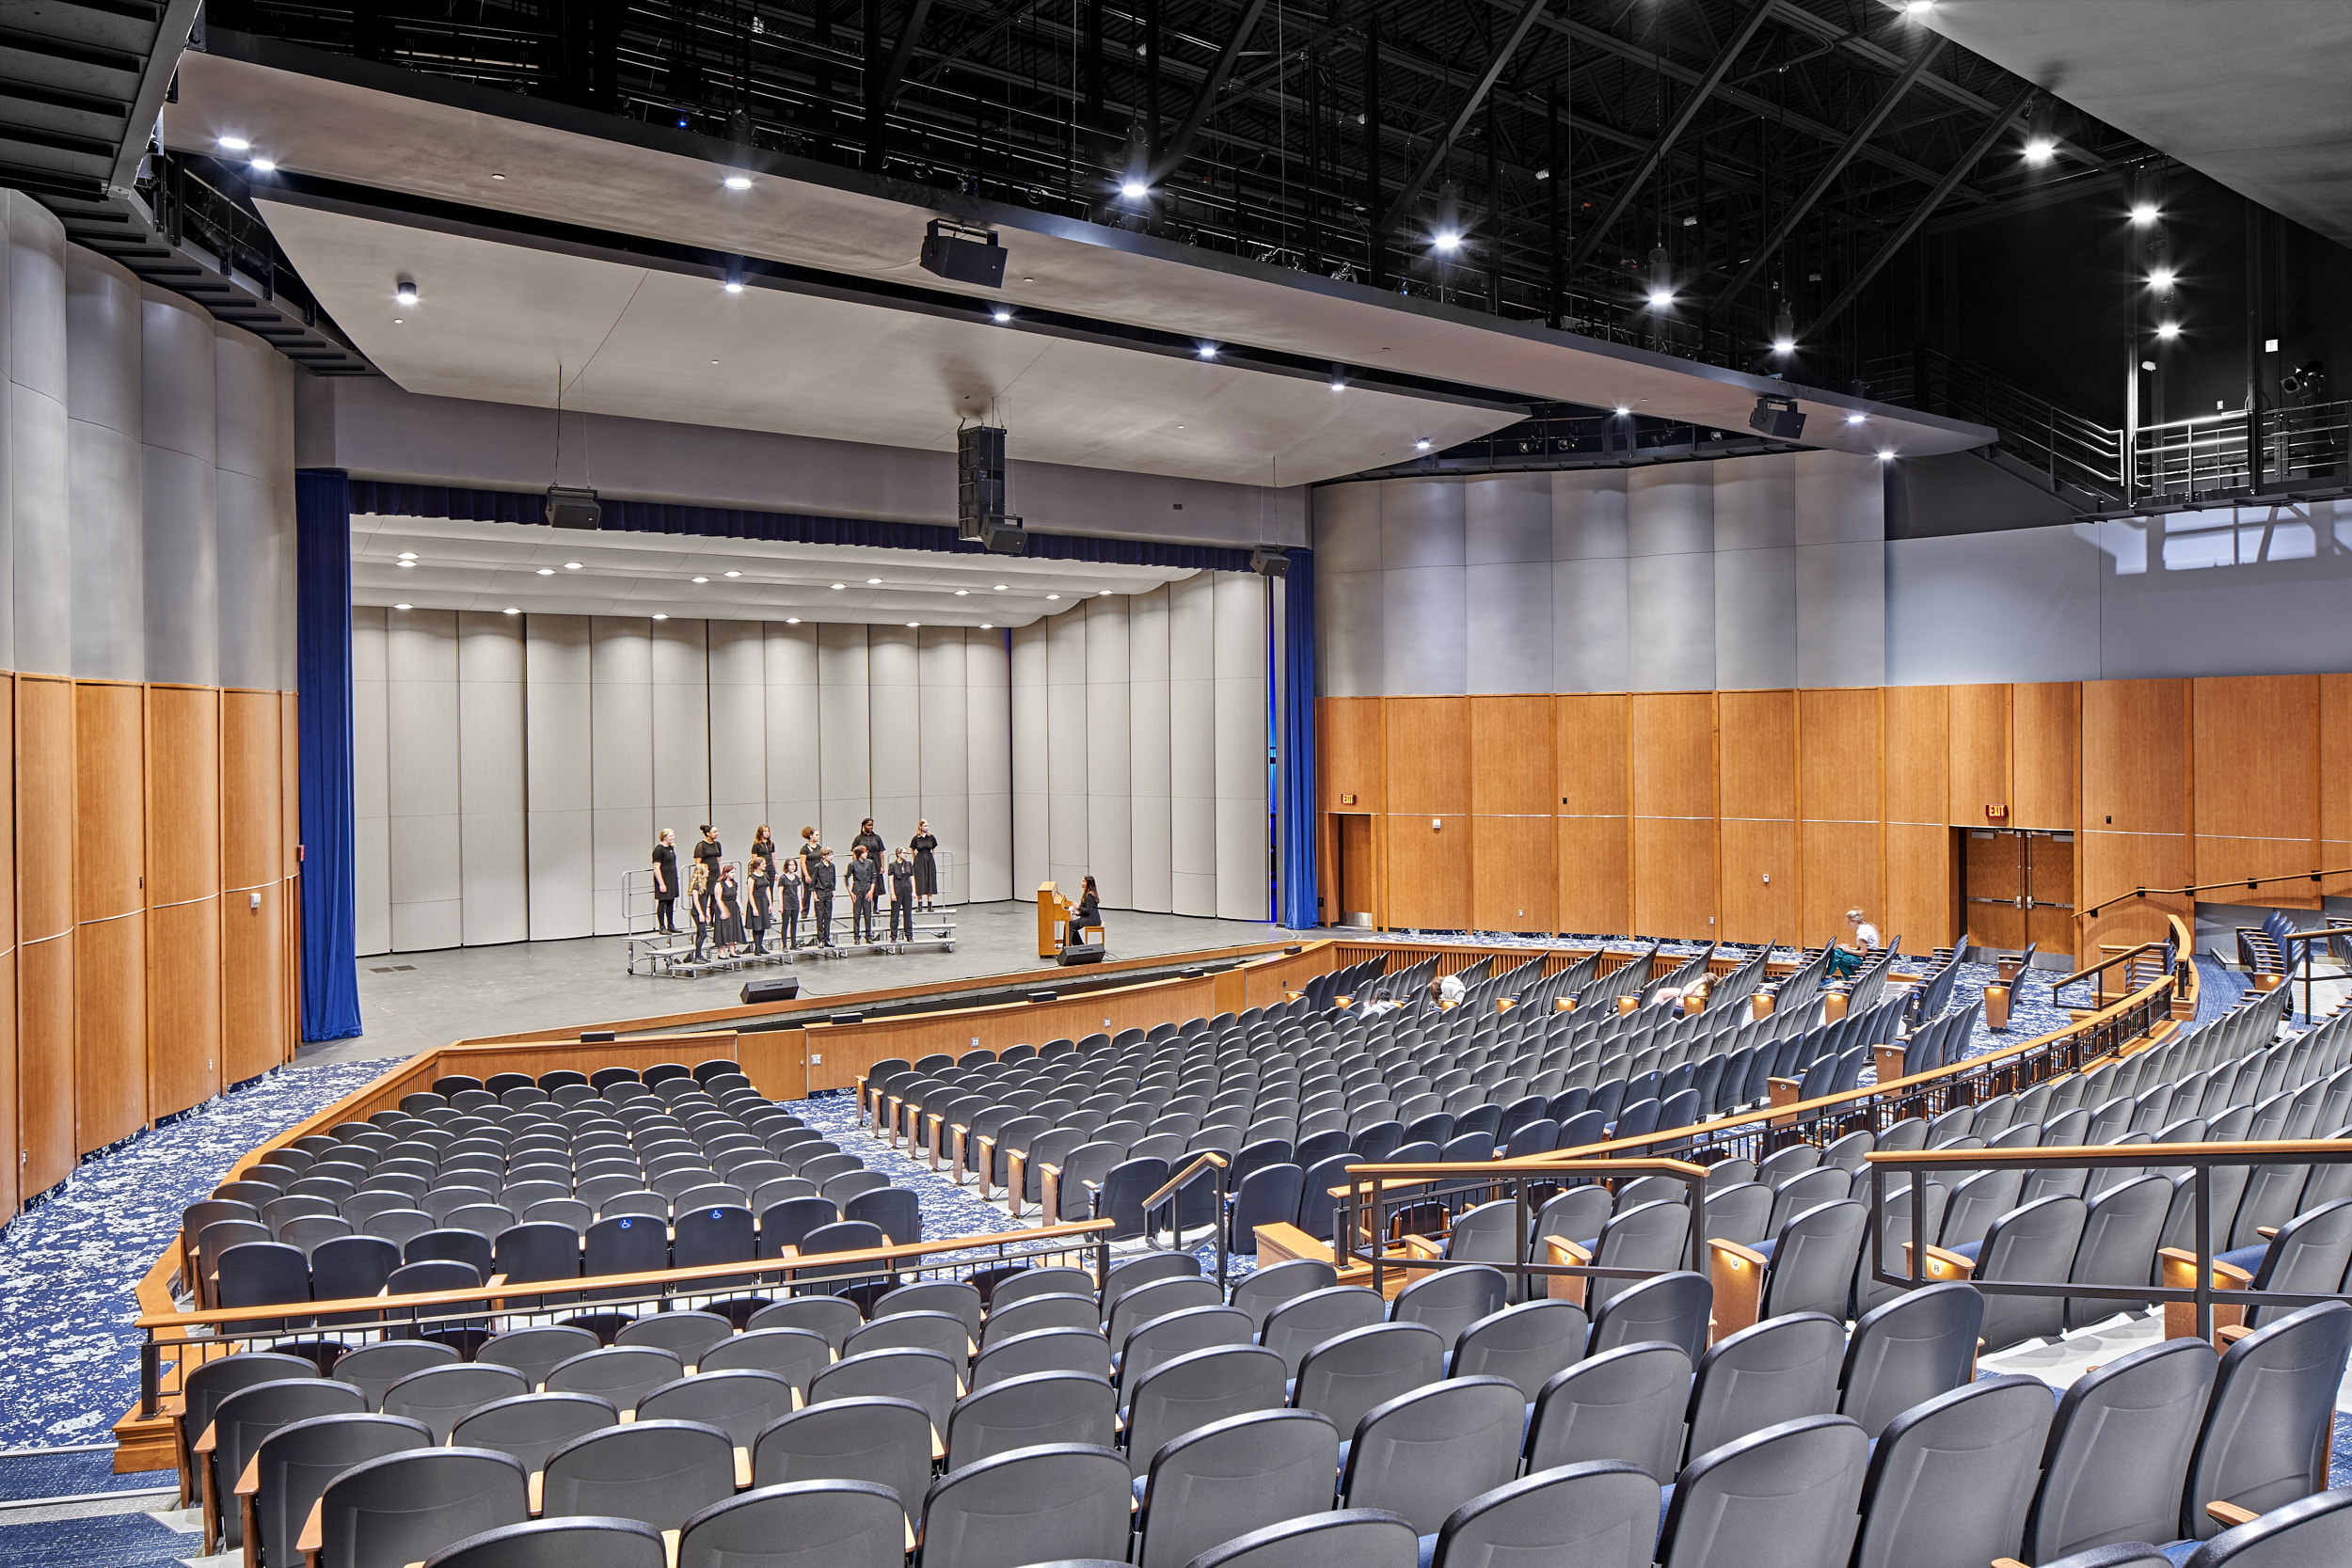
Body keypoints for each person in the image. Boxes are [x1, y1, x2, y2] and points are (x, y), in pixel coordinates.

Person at [1827, 908, 1881, 980]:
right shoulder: (1866, 927)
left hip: (1867, 958)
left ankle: (1829, 978)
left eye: (1849, 922)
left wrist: (1848, 950)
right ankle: (1831, 977)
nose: (1848, 924)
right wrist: (1849, 949)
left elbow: (1863, 952)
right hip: (1871, 955)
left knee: (1840, 958)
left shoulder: (1862, 931)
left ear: (1854, 921)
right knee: (1837, 953)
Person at [847, 843, 881, 943]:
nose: (866, 853)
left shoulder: (870, 863)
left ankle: (868, 935)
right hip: (857, 889)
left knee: (868, 914)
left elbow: (873, 877)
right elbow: (847, 878)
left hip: (867, 888)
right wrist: (851, 892)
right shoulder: (852, 864)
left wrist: (871, 890)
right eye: (864, 852)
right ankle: (856, 937)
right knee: (856, 914)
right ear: (859, 853)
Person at [713, 862, 745, 958]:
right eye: (732, 872)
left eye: (734, 872)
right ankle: (721, 951)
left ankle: (732, 949)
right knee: (723, 928)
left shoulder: (734, 884)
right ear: (726, 873)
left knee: (732, 928)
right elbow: (718, 899)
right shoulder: (719, 884)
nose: (733, 874)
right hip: (723, 906)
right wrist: (723, 911)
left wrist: (741, 907)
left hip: (733, 907)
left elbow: (736, 897)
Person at [745, 848, 774, 956]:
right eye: (763, 864)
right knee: (756, 925)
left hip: (763, 901)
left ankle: (761, 946)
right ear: (758, 865)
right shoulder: (752, 878)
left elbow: (767, 889)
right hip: (756, 901)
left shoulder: (765, 875)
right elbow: (750, 894)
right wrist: (754, 908)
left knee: (763, 925)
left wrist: (770, 904)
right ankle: (756, 947)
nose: (765, 866)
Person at [650, 829, 678, 933]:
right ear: (664, 837)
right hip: (663, 879)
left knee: (671, 901)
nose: (673, 837)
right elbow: (656, 867)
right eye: (671, 836)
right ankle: (662, 926)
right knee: (663, 902)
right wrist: (661, 883)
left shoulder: (670, 848)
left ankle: (671, 924)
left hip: (672, 878)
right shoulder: (658, 850)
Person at [809, 846, 838, 947]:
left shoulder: (832, 866)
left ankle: (827, 938)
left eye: (831, 854)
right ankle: (820, 939)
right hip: (820, 892)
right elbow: (813, 882)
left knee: (828, 917)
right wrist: (814, 894)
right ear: (823, 856)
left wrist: (833, 892)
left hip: (828, 892)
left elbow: (833, 880)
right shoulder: (818, 867)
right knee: (820, 917)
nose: (831, 857)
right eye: (829, 855)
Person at [910, 820, 940, 909]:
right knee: (920, 880)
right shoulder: (916, 838)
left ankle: (930, 904)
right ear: (920, 827)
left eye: (928, 826)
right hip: (919, 860)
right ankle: (920, 904)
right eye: (925, 826)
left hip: (929, 860)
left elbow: (934, 848)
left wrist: (932, 857)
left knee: (930, 879)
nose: (927, 828)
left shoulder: (931, 837)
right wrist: (915, 859)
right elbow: (912, 849)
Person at [887, 848, 916, 942]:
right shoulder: (893, 865)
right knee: (895, 914)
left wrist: (914, 891)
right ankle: (893, 936)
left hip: (907, 890)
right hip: (897, 890)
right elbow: (891, 880)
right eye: (904, 853)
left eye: (906, 853)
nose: (906, 854)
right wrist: (892, 893)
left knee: (908, 913)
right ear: (898, 854)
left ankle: (909, 935)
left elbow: (912, 878)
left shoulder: (909, 864)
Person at [688, 861, 714, 962]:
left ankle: (698, 955)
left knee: (700, 933)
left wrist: (706, 912)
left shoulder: (704, 885)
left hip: (702, 912)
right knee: (703, 933)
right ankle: (697, 956)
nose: (708, 872)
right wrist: (701, 914)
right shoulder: (696, 886)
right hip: (696, 913)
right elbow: (696, 901)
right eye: (706, 870)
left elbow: (705, 901)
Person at [775, 851, 803, 950]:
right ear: (787, 866)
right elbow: (780, 892)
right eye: (790, 865)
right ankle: (784, 945)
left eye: (794, 865)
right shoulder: (783, 878)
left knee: (794, 924)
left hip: (795, 902)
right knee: (785, 924)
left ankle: (794, 944)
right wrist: (781, 905)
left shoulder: (797, 878)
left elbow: (799, 892)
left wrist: (801, 904)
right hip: (786, 903)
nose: (792, 867)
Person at [797, 826, 820, 918]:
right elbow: (802, 862)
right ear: (811, 836)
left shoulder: (819, 847)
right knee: (807, 892)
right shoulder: (805, 849)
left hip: (817, 873)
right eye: (816, 835)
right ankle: (805, 911)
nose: (818, 837)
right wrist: (806, 875)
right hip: (809, 872)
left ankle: (818, 912)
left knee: (818, 892)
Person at [693, 824, 723, 895]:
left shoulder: (717, 844)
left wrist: (722, 873)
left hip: (716, 874)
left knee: (715, 895)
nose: (717, 833)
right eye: (715, 832)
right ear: (708, 833)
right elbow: (698, 862)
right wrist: (703, 874)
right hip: (706, 875)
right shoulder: (701, 845)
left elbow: (719, 860)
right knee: (705, 894)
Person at [1072, 874, 1101, 945]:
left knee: (1070, 925)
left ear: (1088, 883)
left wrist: (1077, 907)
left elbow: (1088, 911)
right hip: (1090, 918)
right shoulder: (1088, 893)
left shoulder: (1089, 895)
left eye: (1083, 881)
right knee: (1071, 925)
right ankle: (1079, 945)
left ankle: (1072, 946)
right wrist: (1077, 913)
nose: (1081, 883)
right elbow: (1086, 910)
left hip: (1091, 920)